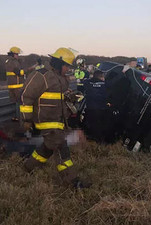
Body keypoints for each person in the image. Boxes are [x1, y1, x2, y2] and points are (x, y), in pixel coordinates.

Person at [20, 47, 90, 189]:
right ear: (59, 63)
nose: (68, 69)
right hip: (44, 120)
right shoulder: (41, 75)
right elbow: (26, 97)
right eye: (66, 66)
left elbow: (59, 97)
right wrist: (27, 120)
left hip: (57, 120)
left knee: (47, 148)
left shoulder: (61, 79)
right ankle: (72, 181)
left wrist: (71, 97)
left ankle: (28, 167)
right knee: (61, 147)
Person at [82, 69, 112, 143]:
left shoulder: (88, 82)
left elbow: (84, 83)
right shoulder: (105, 84)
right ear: (101, 77)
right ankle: (99, 141)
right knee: (100, 126)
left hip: (90, 109)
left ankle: (91, 139)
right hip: (101, 109)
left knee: (91, 125)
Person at [5, 46, 25, 121]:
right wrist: (31, 69)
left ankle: (14, 117)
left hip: (11, 86)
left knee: (13, 102)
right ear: (13, 54)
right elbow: (19, 73)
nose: (18, 56)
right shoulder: (13, 62)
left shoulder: (7, 61)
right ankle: (20, 117)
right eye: (17, 54)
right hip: (17, 86)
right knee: (19, 102)